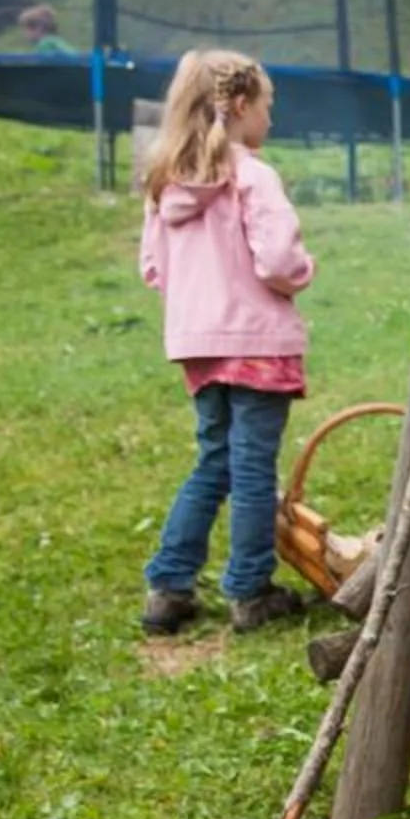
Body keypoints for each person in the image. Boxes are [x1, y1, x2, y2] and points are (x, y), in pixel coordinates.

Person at [137, 50, 315, 636]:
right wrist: (301, 273)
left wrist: (196, 304)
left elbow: (153, 268)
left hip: (198, 343)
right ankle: (250, 590)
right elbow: (280, 261)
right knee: (252, 467)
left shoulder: (164, 181)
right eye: (267, 106)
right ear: (239, 105)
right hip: (257, 340)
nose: (270, 118)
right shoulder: (253, 175)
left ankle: (169, 587)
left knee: (214, 460)